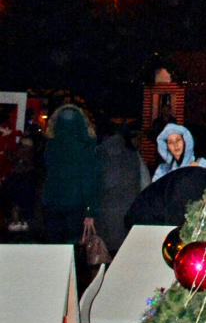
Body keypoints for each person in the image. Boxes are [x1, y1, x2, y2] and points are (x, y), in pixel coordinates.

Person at [40, 102, 100, 245]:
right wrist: (90, 211)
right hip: (75, 204)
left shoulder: (51, 146)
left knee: (54, 246)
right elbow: (89, 180)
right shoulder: (85, 147)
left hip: (52, 202)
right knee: (71, 247)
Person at [93, 123, 150, 255]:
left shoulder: (98, 154)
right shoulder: (133, 154)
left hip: (104, 213)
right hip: (128, 211)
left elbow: (97, 183)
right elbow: (145, 182)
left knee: (105, 256)